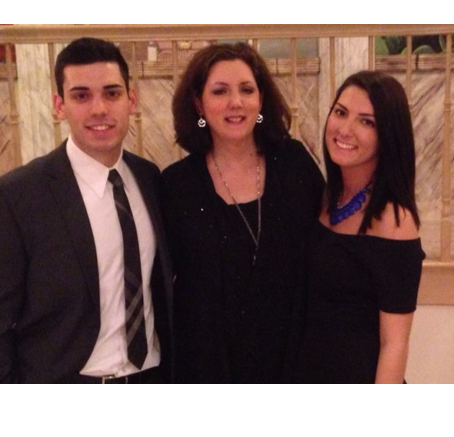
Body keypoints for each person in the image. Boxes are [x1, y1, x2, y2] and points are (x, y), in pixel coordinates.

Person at [0, 38, 173, 383]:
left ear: (131, 100)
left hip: (151, 379)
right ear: (59, 105)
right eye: (81, 96)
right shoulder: (19, 195)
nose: (99, 109)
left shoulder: (150, 178)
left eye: (111, 93)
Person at [162, 42, 324, 383]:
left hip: (294, 364)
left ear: (261, 100)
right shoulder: (177, 185)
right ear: (198, 104)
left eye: (246, 90)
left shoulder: (294, 164)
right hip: (209, 370)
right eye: (220, 91)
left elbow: (326, 251)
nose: (235, 102)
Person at [295, 70, 425, 384]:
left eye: (366, 121)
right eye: (341, 113)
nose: (345, 129)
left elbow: (394, 343)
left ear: (387, 136)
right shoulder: (326, 197)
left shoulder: (395, 219)